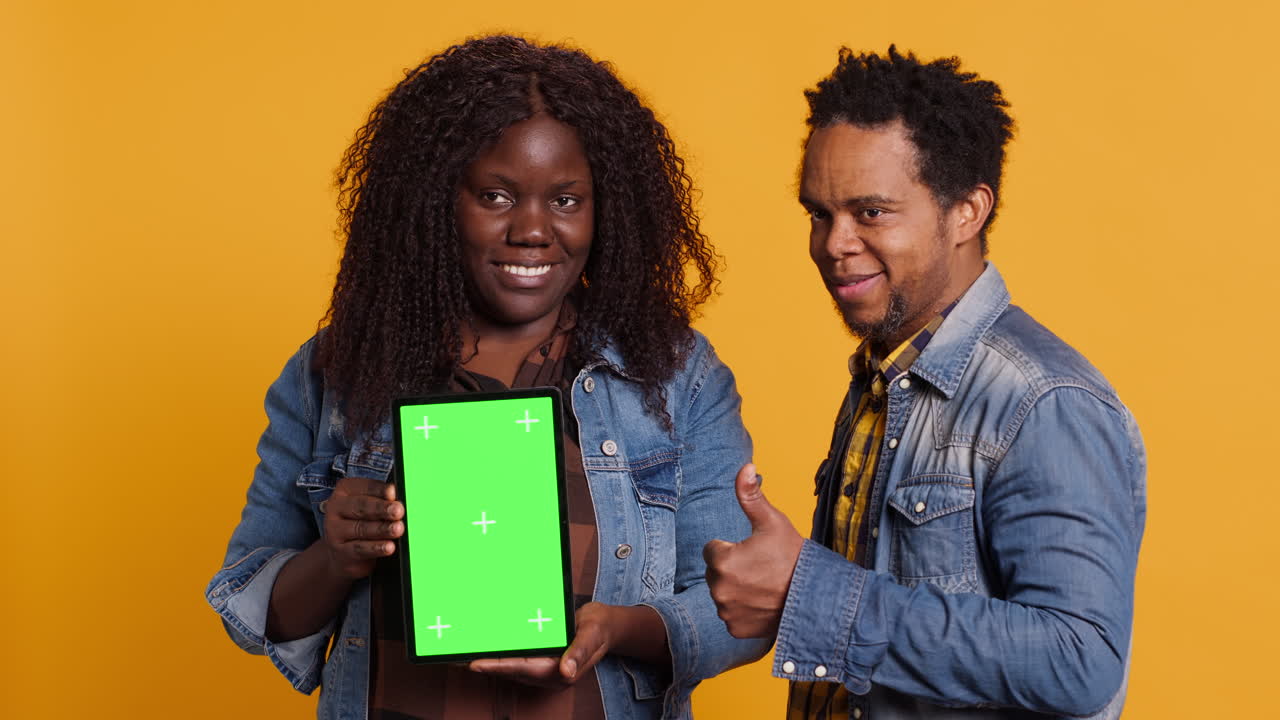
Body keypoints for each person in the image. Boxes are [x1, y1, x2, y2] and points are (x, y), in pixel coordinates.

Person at [206, 35, 768, 720]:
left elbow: (740, 612)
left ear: (606, 209)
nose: (532, 230)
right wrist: (336, 556)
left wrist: (612, 631)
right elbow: (254, 613)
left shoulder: (676, 376)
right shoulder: (338, 372)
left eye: (566, 200)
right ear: (437, 200)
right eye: (496, 196)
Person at [703, 47, 1146, 719]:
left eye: (871, 212)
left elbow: (1078, 660)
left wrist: (807, 589)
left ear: (967, 211)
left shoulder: (1042, 401)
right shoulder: (887, 375)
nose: (833, 243)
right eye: (818, 213)